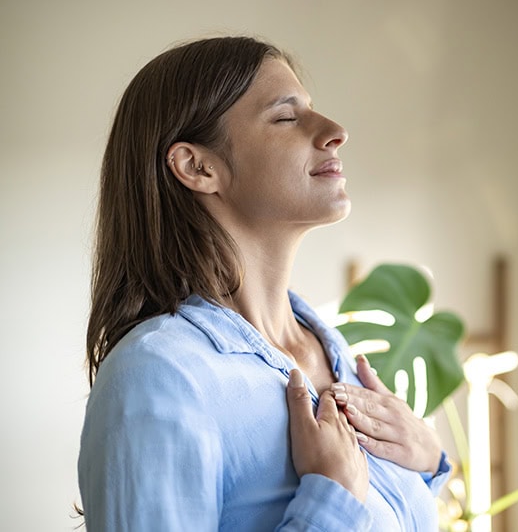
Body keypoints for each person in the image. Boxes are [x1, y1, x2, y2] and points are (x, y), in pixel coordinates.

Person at [77, 35, 450, 531]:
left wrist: (427, 464)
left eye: (313, 110)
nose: (336, 131)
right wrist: (329, 502)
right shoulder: (158, 377)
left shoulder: (336, 353)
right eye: (286, 117)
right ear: (198, 166)